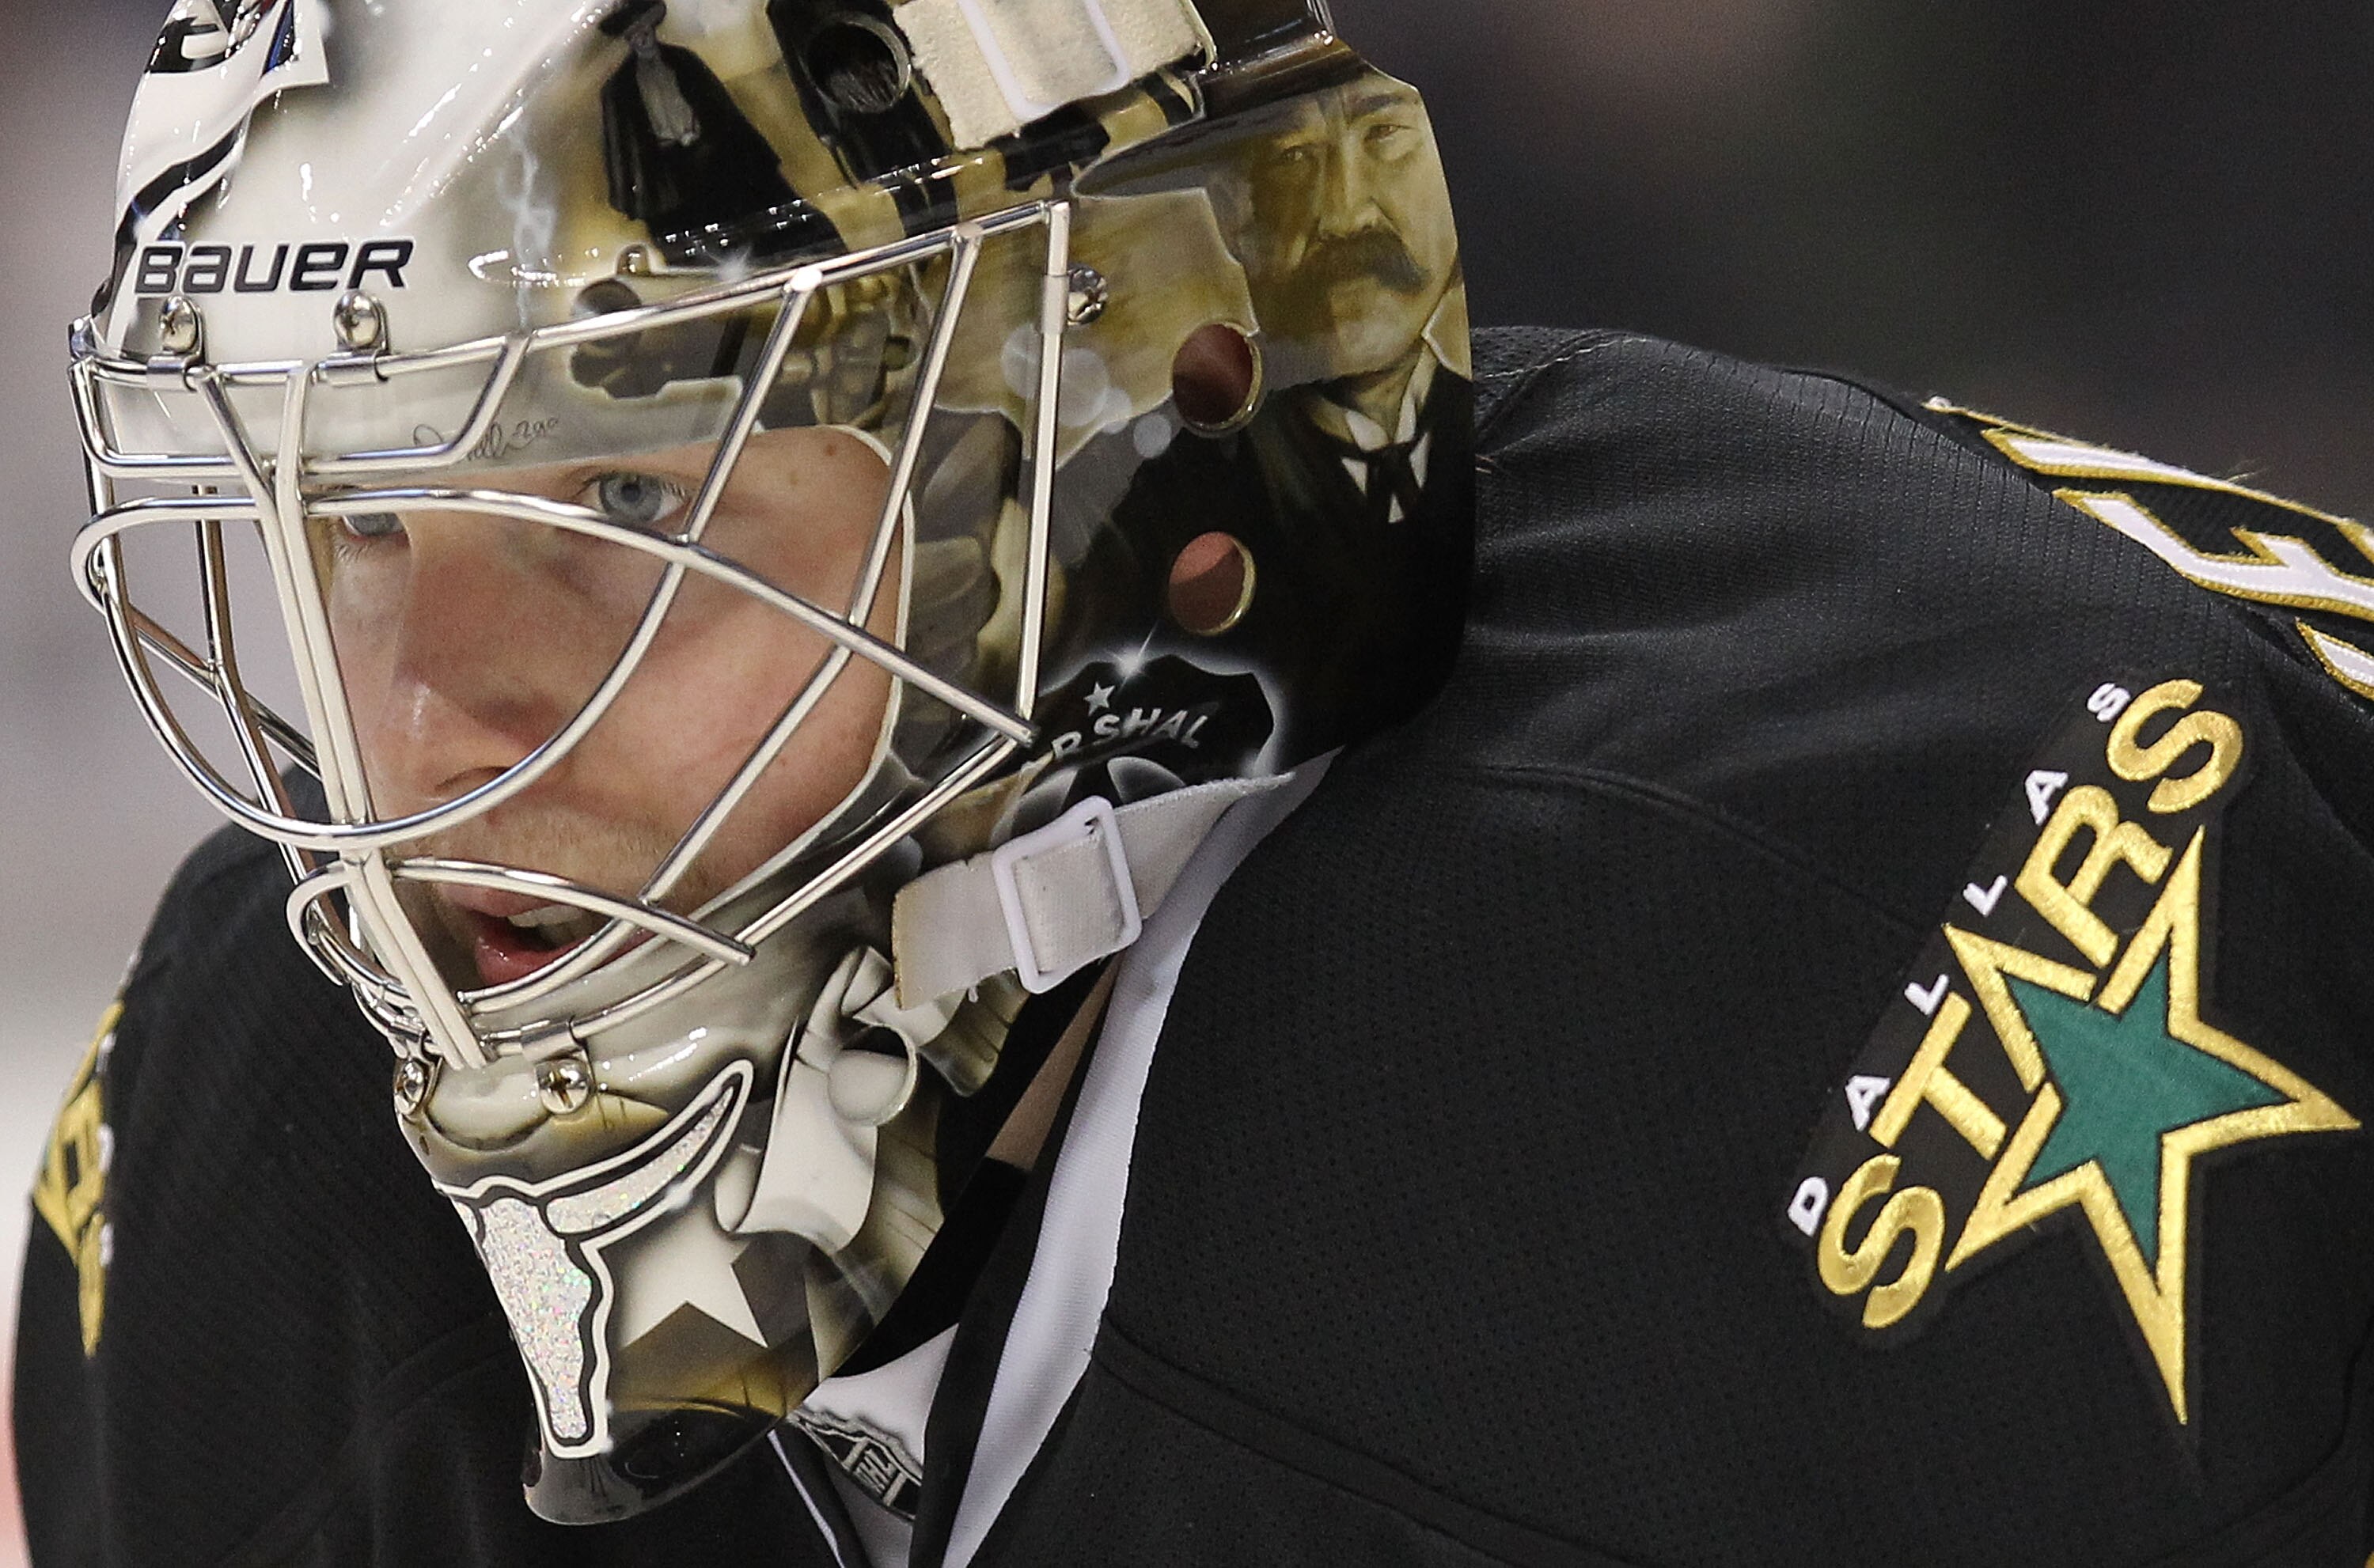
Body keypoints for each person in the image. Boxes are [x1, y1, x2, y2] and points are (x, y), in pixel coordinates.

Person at [18, 2, 2374, 1566]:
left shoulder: (1855, 937)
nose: (427, 735)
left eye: (627, 510)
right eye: (357, 528)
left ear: (1142, 449)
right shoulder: (263, 1158)